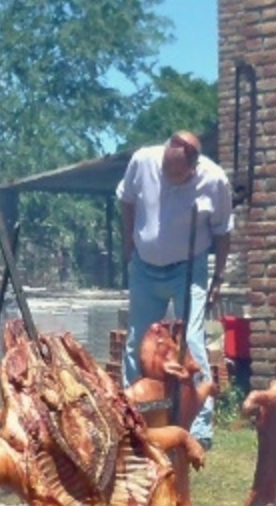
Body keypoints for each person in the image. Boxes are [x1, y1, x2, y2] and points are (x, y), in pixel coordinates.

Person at [116, 130, 233, 448]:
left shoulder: (214, 180)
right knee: (136, 343)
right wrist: (128, 244)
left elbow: (223, 231)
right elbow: (127, 200)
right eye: (167, 171)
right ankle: (134, 418)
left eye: (178, 175)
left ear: (193, 169)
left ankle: (199, 429)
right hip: (144, 266)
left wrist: (219, 276)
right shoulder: (143, 161)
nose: (170, 179)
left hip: (189, 268)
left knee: (192, 342)